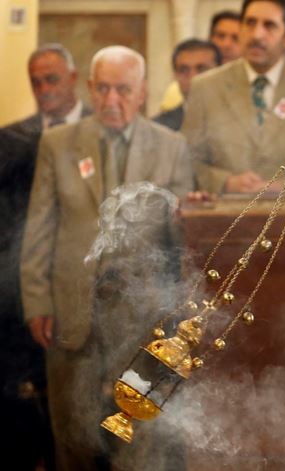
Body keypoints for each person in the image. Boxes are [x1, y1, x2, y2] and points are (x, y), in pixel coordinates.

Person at [19, 45, 194, 471]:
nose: (111, 100)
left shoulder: (171, 146)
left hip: (144, 314)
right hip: (70, 312)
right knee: (73, 435)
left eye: (122, 89)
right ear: (90, 88)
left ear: (142, 93)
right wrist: (38, 301)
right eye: (103, 89)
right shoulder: (58, 143)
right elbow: (40, 225)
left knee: (141, 438)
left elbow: (183, 241)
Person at [0, 42, 89, 471]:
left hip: (83, 285)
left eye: (52, 79)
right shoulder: (11, 139)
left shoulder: (102, 128)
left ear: (74, 79)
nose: (43, 89)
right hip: (22, 289)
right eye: (36, 81)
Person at [182, 0, 285, 197]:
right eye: (250, 23)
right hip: (223, 218)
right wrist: (225, 182)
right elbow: (187, 160)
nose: (257, 35)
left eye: (269, 26)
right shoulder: (205, 87)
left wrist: (282, 186)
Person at [154, 39, 221, 131]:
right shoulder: (158, 129)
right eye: (184, 70)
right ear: (175, 75)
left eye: (202, 69)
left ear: (220, 72)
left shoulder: (241, 119)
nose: (193, 77)